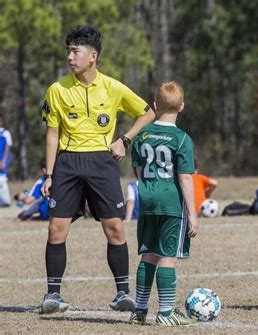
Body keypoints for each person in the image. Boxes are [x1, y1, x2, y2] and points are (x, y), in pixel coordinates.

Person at [40, 25, 155, 314]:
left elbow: (148, 111)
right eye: (68, 51)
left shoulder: (113, 87)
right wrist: (49, 174)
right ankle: (52, 295)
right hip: (67, 163)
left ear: (92, 56)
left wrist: (125, 140)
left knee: (115, 227)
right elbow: (52, 134)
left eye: (75, 51)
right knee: (56, 229)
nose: (70, 57)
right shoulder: (57, 90)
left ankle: (122, 294)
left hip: (102, 163)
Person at [128, 81, 198, 326]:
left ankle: (139, 310)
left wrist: (150, 186)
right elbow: (185, 177)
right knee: (168, 257)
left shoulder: (141, 136)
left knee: (148, 254)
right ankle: (166, 313)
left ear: (155, 105)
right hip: (171, 204)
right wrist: (193, 213)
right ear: (181, 106)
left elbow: (138, 170)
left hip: (147, 202)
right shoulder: (182, 139)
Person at [0, 115, 12, 207]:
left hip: (3, 158)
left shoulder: (5, 133)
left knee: (2, 180)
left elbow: (7, 148)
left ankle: (6, 201)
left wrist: (3, 160)